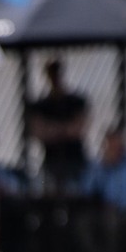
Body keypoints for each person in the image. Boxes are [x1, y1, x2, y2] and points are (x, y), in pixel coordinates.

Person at [27, 59, 90, 196]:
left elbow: (79, 129)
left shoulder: (76, 101)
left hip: (76, 163)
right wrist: (65, 129)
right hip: (51, 162)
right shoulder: (41, 105)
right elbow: (38, 132)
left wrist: (53, 129)